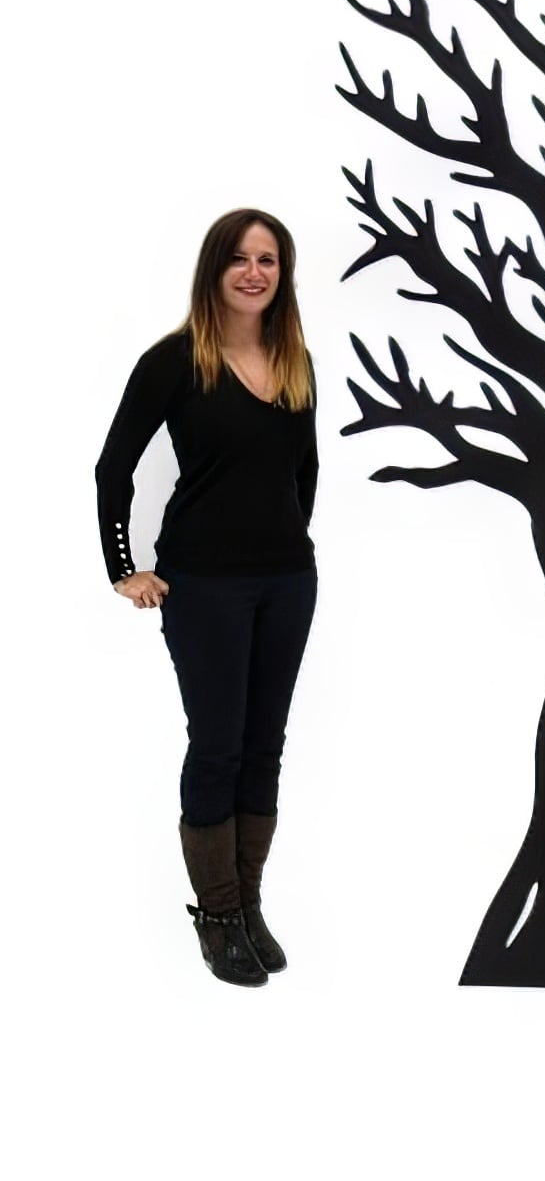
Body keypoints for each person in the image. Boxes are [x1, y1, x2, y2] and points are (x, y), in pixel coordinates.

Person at [95, 209, 319, 987]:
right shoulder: (174, 361)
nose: (254, 272)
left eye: (268, 259)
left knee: (265, 746)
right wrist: (124, 567)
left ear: (282, 273)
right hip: (205, 586)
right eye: (239, 258)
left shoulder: (294, 361)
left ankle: (248, 905)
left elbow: (303, 473)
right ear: (214, 269)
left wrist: (287, 548)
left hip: (287, 584)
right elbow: (113, 468)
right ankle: (217, 915)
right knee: (218, 744)